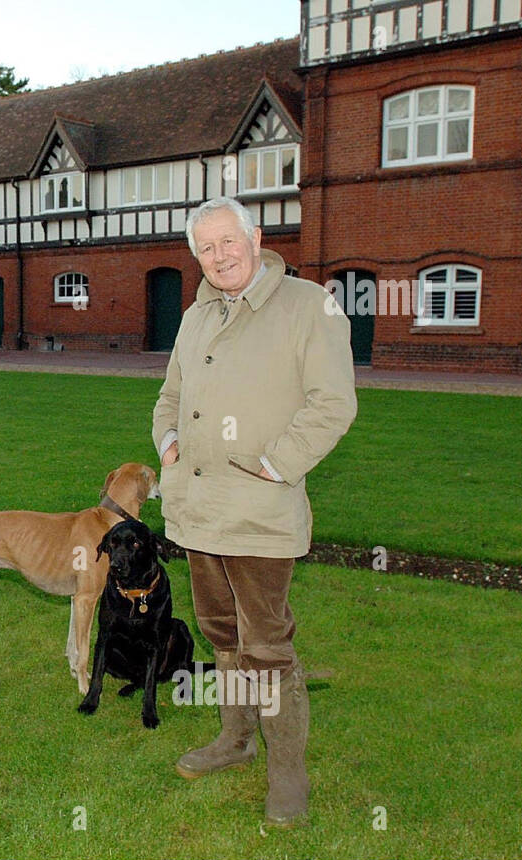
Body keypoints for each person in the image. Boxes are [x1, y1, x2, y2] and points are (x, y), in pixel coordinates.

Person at [151, 196, 357, 827]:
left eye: (227, 242)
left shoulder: (307, 305)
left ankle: (288, 775)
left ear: (255, 237)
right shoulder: (195, 315)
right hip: (197, 513)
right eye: (205, 249)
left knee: (267, 645)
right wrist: (169, 444)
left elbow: (333, 404)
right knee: (222, 635)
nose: (218, 257)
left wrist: (278, 465)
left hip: (261, 518)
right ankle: (235, 740)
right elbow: (169, 397)